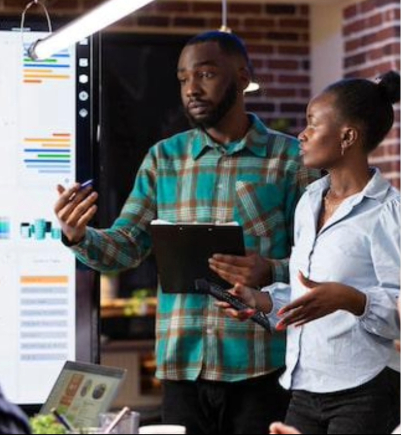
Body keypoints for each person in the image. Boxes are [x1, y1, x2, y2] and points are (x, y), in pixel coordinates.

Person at [54, 31, 317, 434]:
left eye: (206, 74)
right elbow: (126, 247)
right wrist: (78, 235)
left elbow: (318, 263)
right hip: (182, 368)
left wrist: (270, 271)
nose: (191, 88)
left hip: (262, 367)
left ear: (242, 77)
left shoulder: (289, 161)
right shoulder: (164, 159)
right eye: (182, 78)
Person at [218, 71, 401, 434]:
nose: (301, 135)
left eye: (313, 124)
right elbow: (310, 295)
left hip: (367, 387)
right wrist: (260, 301)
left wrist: (352, 300)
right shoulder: (309, 201)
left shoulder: (389, 213)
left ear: (348, 136)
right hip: (305, 386)